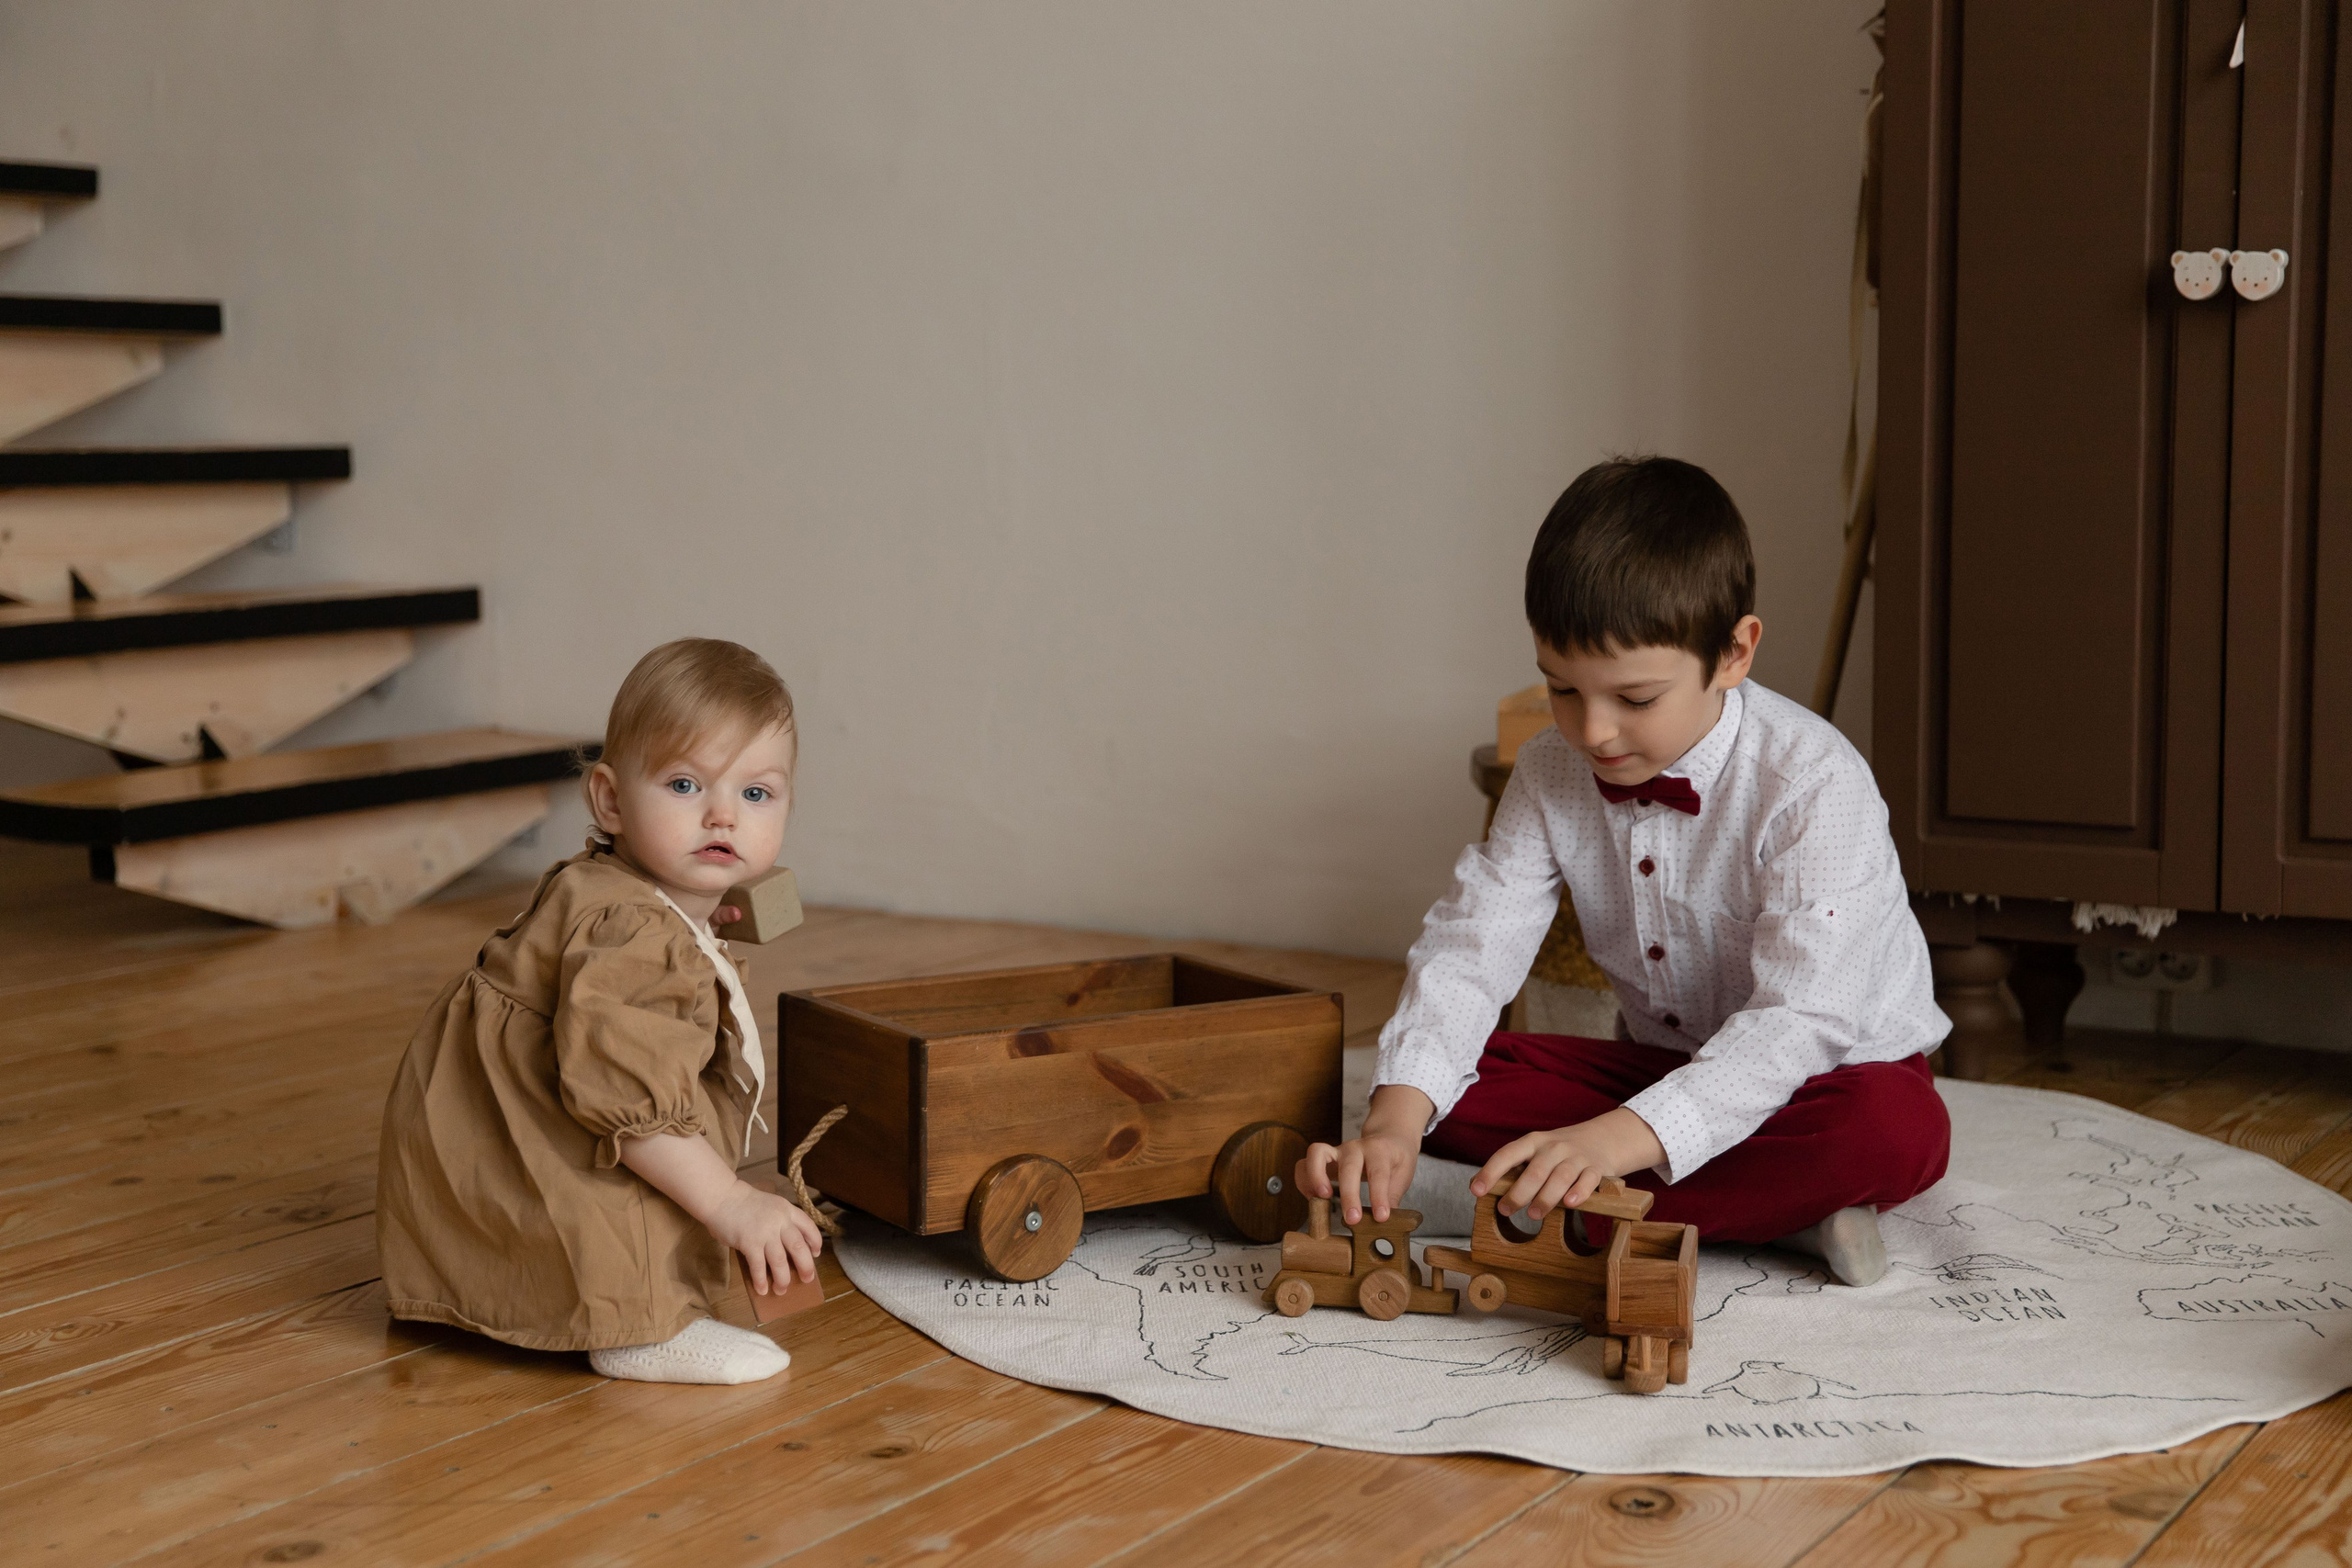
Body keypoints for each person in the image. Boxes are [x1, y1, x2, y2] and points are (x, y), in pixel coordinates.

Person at [1299, 457, 1951, 1286]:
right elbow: (1473, 948)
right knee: (1445, 1083)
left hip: (1828, 1078)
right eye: (1562, 690)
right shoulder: (1548, 771)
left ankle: (1546, 1200)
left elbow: (1800, 1022)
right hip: (1666, 1073)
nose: (1594, 731)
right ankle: (1775, 1218)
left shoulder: (1813, 783)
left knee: (1892, 1132)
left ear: (1734, 652)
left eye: (1635, 699)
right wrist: (1393, 1126)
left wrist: (1609, 1141)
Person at [378, 637, 821, 1383]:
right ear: (611, 800)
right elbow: (626, 1106)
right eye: (685, 785)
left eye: (756, 794)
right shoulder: (630, 934)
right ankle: (635, 1326)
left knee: (665, 1140)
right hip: (528, 1134)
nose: (722, 815)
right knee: (637, 1161)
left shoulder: (631, 891)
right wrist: (731, 1200)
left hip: (486, 1123)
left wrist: (703, 927)